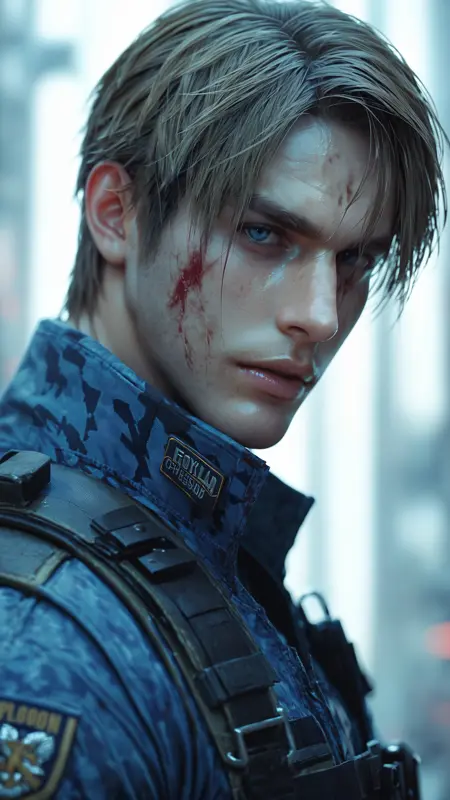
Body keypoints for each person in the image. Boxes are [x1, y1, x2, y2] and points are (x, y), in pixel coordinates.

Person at [0, 0, 445, 796]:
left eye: (356, 261)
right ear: (116, 214)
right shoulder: (41, 645)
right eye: (264, 234)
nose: (320, 315)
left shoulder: (191, 541)